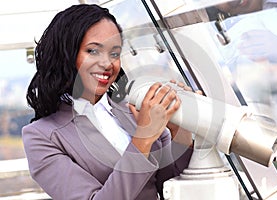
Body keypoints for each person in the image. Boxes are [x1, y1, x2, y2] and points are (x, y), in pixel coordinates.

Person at [22, 4, 196, 200]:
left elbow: (172, 187)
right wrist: (143, 138)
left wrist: (179, 130)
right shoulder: (41, 137)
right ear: (66, 54)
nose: (107, 64)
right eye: (93, 51)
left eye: (114, 53)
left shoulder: (135, 111)